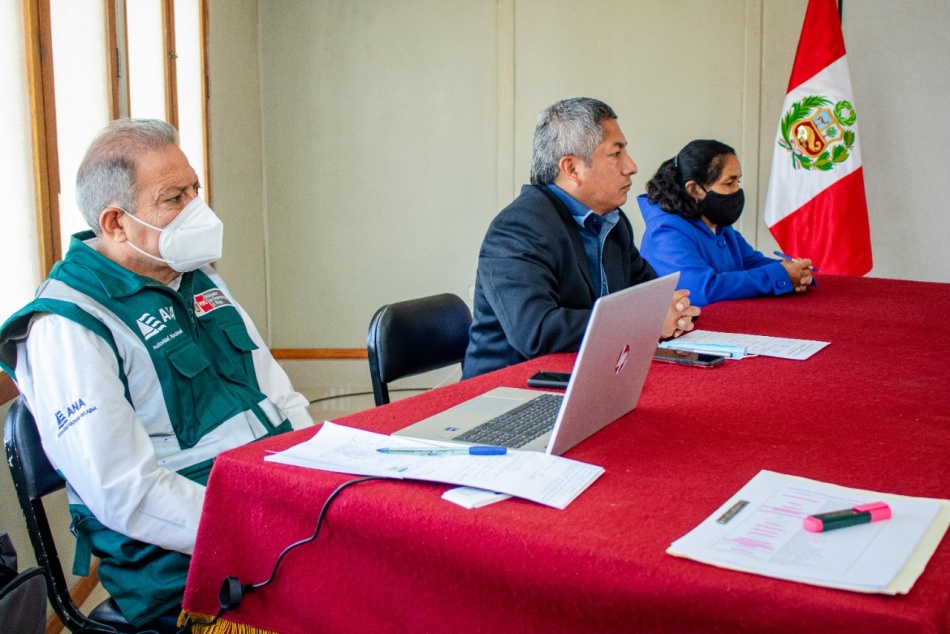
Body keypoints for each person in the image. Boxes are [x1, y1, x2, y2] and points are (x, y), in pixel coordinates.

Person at [0, 119, 313, 630]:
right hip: (187, 563)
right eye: (174, 198)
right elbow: (128, 493)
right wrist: (263, 525)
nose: (197, 209)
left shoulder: (194, 276)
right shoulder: (68, 326)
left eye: (195, 190)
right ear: (116, 223)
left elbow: (278, 394)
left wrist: (319, 483)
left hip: (275, 506)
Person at [463, 98, 699, 379]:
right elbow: (536, 332)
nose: (631, 166)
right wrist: (645, 323)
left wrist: (673, 310)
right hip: (509, 386)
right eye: (616, 153)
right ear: (572, 168)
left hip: (589, 375)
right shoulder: (518, 227)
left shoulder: (612, 221)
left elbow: (652, 295)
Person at [637, 139, 814, 306]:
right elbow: (701, 290)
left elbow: (751, 262)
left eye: (738, 181)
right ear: (694, 189)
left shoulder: (718, 225)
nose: (737, 190)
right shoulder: (666, 232)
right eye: (729, 183)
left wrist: (795, 271)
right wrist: (780, 276)